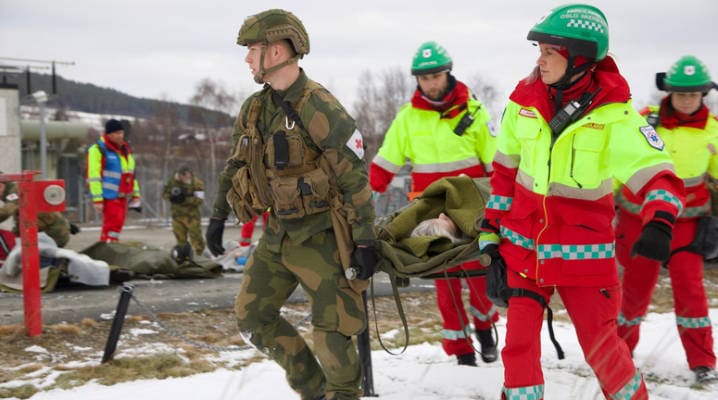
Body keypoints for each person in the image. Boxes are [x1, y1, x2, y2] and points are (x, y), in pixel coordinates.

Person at [478, 4, 686, 399]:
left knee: (604, 352)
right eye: (538, 50)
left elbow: (659, 174)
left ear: (579, 58)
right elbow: (505, 170)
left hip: (585, 259)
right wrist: (492, 225)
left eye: (548, 52)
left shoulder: (616, 117)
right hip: (525, 253)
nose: (539, 60)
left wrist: (659, 223)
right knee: (518, 349)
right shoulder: (522, 103)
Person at [206, 9, 377, 400]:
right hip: (278, 235)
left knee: (332, 335)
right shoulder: (254, 108)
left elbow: (354, 177)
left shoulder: (321, 108)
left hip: (324, 238)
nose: (248, 58)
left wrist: (365, 241)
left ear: (279, 50)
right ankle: (313, 390)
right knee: (252, 319)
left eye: (253, 49)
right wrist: (217, 214)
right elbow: (236, 164)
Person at [369, 41, 499, 366]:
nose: (431, 83)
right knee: (445, 283)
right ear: (417, 80)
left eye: (436, 76)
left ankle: (485, 330)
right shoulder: (407, 119)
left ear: (448, 74)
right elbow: (385, 163)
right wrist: (363, 197)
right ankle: (461, 351)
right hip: (429, 215)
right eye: (425, 78)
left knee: (480, 276)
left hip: (472, 212)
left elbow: (498, 165)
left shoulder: (475, 112)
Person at [616, 55, 718, 384]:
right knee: (633, 289)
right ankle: (618, 351)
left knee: (690, 290)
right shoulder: (645, 122)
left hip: (688, 224)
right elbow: (621, 166)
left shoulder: (714, 131)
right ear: (669, 92)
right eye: (681, 94)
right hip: (639, 220)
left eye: (694, 94)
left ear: (703, 95)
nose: (687, 100)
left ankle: (702, 361)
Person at [86, 119, 141, 242]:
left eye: (121, 133)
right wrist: (97, 199)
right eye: (117, 133)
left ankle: (110, 245)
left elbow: (131, 175)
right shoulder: (98, 149)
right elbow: (93, 176)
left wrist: (136, 195)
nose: (120, 136)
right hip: (109, 196)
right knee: (112, 226)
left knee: (116, 226)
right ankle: (109, 247)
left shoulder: (125, 150)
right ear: (109, 134)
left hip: (122, 196)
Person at [0, 178, 78, 248]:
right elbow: (21, 221)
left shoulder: (15, 191)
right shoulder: (15, 190)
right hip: (48, 230)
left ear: (1, 185)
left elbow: (6, 212)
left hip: (51, 234)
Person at [162, 165, 205, 256]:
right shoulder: (172, 181)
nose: (186, 178)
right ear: (180, 175)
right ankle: (183, 256)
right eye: (184, 176)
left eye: (188, 176)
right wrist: (172, 197)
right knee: (180, 237)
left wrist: (184, 199)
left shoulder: (197, 183)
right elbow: (164, 194)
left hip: (191, 216)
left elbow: (199, 200)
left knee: (196, 236)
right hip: (177, 216)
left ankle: (199, 255)